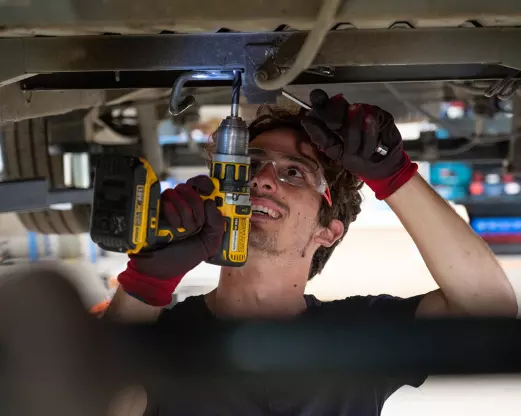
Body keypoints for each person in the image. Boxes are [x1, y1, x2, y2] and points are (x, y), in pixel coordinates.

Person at [106, 90, 517, 415]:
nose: (263, 179)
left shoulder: (359, 340)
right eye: (250, 164)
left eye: (294, 172)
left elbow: (490, 307)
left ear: (329, 230)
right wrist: (147, 283)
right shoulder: (162, 340)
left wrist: (394, 175)